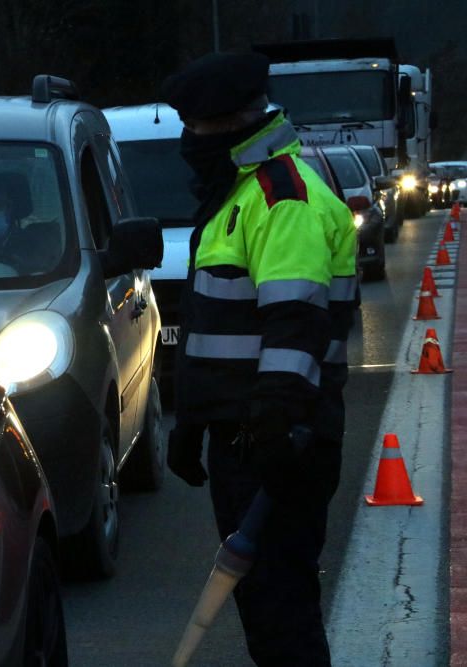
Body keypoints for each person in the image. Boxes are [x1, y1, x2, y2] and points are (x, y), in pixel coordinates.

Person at [162, 51, 357, 666]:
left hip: (279, 442)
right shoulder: (240, 194)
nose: (189, 140)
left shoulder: (282, 198)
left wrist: (276, 430)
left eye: (193, 127)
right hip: (248, 437)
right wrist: (193, 418)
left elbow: (294, 324)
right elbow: (220, 325)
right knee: (267, 610)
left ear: (225, 125)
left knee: (282, 616)